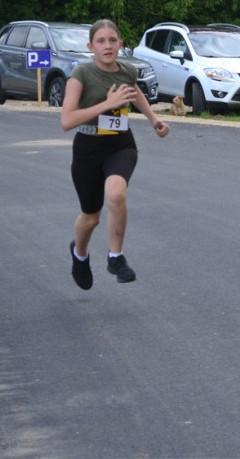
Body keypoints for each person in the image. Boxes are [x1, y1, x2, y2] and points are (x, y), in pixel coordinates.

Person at [60, 19, 171, 291]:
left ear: (120, 44)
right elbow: (67, 121)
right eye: (101, 41)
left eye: (113, 40)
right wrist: (107, 104)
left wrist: (154, 120)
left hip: (121, 145)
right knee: (91, 217)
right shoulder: (81, 74)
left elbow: (135, 95)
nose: (107, 46)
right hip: (87, 148)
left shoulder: (127, 71)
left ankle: (115, 256)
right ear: (91, 46)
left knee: (116, 194)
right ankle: (80, 255)